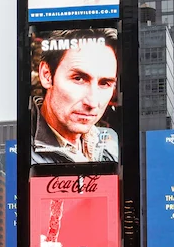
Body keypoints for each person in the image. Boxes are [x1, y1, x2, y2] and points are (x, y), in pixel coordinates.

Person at [32, 28, 120, 164]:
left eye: (105, 83)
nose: (92, 102)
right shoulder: (18, 152)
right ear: (46, 75)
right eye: (78, 78)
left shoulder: (111, 144)